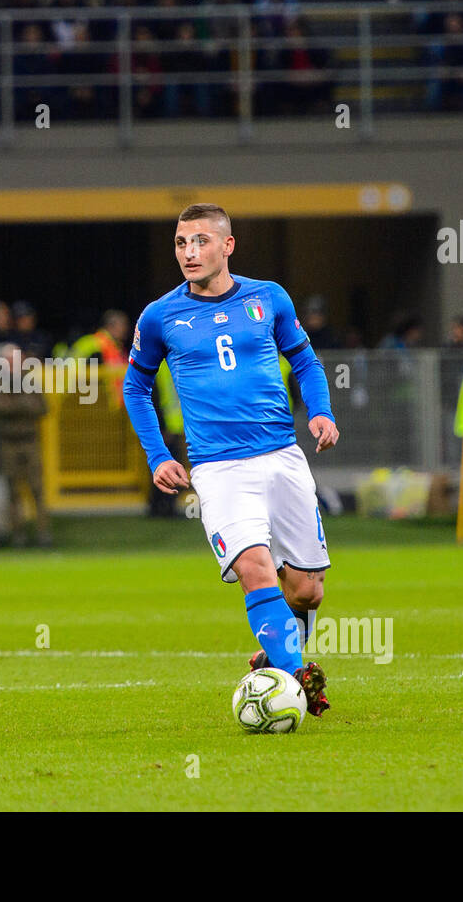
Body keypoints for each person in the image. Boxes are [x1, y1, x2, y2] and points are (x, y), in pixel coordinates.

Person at [123, 203, 338, 717]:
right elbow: (135, 386)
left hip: (282, 457)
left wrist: (321, 413)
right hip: (218, 469)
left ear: (227, 245)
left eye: (200, 241)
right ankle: (293, 681)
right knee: (254, 567)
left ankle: (276, 650)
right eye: (180, 242)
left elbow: (305, 359)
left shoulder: (269, 297)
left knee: (307, 592)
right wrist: (157, 455)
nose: (189, 252)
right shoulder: (160, 315)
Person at [0, 344, 52, 547]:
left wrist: (18, 404)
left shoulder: (29, 380)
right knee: (13, 491)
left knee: (38, 490)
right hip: (9, 443)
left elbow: (42, 408)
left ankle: (43, 534)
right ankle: (18, 535)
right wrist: (25, 404)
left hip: (30, 442)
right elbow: (2, 408)